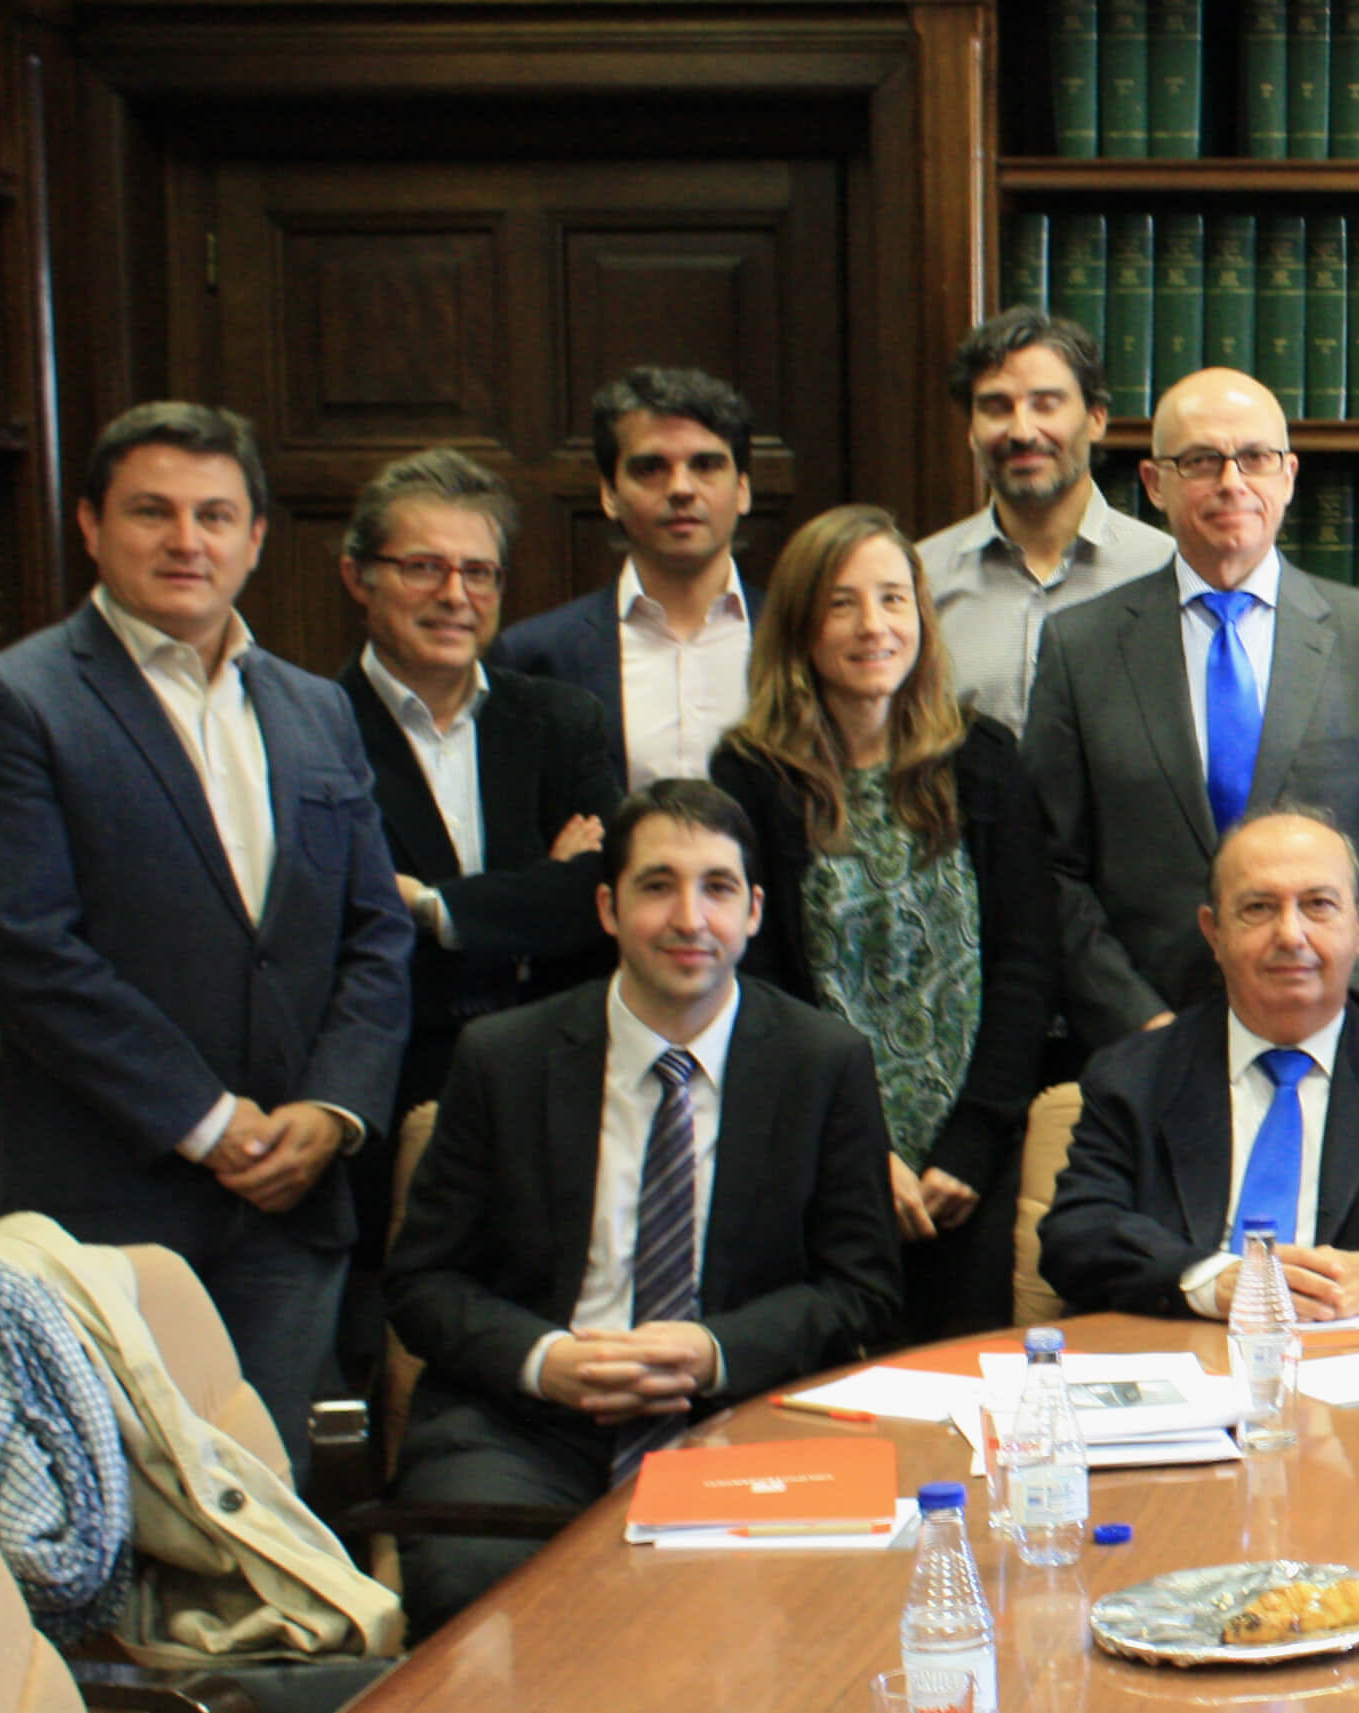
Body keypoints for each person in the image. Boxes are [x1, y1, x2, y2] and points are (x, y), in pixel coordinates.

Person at [0, 402, 412, 1467]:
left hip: (291, 1210)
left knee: (266, 1523)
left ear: (256, 538)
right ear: (90, 525)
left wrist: (332, 1114)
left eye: (215, 515)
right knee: (104, 1546)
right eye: (152, 512)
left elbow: (375, 932)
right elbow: (19, 953)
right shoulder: (12, 705)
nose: (185, 541)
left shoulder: (313, 709)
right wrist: (208, 1123)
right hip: (101, 1206)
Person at [383, 781, 899, 1629]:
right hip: (522, 1425)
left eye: (718, 887)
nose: (690, 918)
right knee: (486, 1604)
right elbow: (422, 1283)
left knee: (789, 1614)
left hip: (741, 1415)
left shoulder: (822, 1061)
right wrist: (543, 1357)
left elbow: (865, 1290)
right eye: (657, 886)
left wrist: (712, 1349)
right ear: (607, 907)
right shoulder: (503, 1057)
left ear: (756, 910)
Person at [1027, 366, 1359, 1047]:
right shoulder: (1080, 647)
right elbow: (1052, 869)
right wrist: (1138, 1021)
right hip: (1144, 1046)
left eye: (1254, 457)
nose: (1232, 482)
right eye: (1200, 460)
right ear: (1153, 484)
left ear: (1287, 475)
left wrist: (1336, 1006)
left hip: (1334, 1045)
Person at [709, 505, 1057, 1343]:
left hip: (973, 1159)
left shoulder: (982, 758)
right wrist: (860, 1152)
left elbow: (1025, 963)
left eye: (894, 599)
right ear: (799, 625)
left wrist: (969, 1146)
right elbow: (762, 984)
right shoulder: (751, 774)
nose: (875, 626)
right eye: (842, 603)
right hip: (816, 1155)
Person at [1037, 809, 1359, 1319]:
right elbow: (1077, 1233)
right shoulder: (1135, 1075)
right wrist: (1212, 1281)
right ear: (1214, 933)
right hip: (1187, 1360)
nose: (1291, 936)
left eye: (1318, 905)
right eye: (1258, 908)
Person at [333, 448, 624, 1133]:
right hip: (389, 1090)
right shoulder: (311, 728)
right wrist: (540, 885)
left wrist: (432, 906)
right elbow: (339, 913)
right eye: (423, 567)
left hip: (556, 1087)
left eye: (479, 572)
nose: (456, 596)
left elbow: (605, 894)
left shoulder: (560, 719)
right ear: (358, 576)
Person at [494, 367, 768, 789]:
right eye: (651, 468)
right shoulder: (536, 656)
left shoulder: (802, 640)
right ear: (609, 493)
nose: (681, 488)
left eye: (706, 464)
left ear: (743, 489)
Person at [915, 309, 1178, 731]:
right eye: (997, 408)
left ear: (1096, 419)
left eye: (1046, 405)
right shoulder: (919, 581)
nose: (1022, 431)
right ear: (971, 430)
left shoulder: (1168, 570)